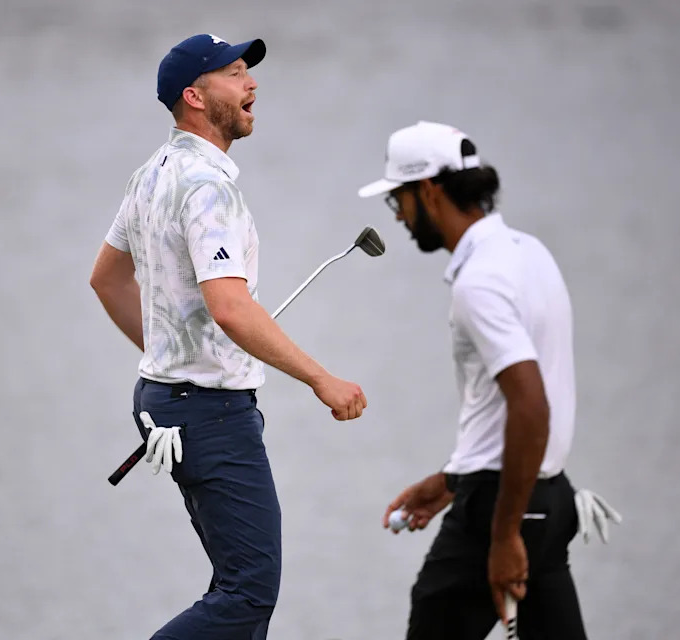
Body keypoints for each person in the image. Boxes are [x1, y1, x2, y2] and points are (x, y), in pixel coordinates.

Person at [89, 34, 367, 640]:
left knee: (239, 592)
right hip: (209, 413)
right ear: (194, 96)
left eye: (248, 71)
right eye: (235, 73)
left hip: (167, 400)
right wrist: (323, 379)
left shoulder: (150, 175)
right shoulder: (209, 187)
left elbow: (106, 281)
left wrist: (170, 357)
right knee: (247, 591)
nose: (252, 83)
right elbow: (232, 309)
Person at [358, 121, 619, 639]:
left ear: (428, 192)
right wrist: (453, 481)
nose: (400, 218)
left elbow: (529, 406)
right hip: (547, 502)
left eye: (398, 202)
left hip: (500, 512)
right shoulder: (529, 252)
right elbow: (511, 409)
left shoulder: (479, 283)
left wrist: (503, 536)